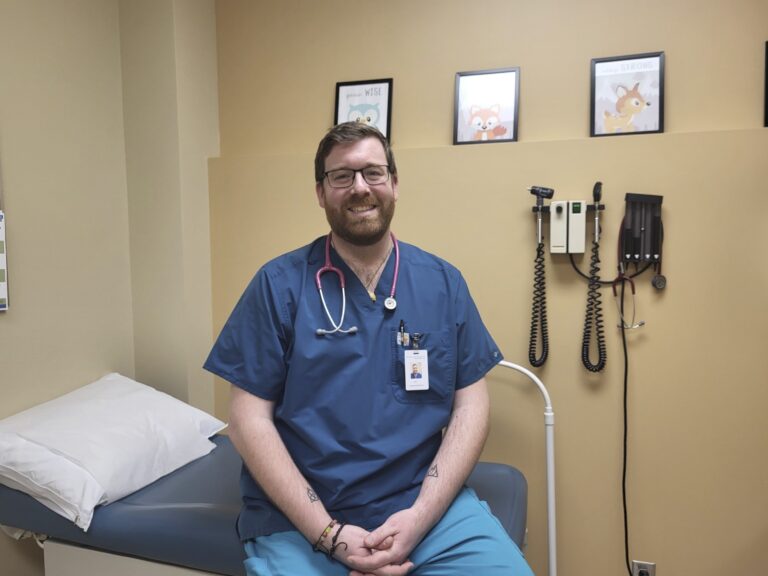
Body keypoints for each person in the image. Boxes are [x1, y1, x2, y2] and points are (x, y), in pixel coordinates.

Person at [204, 122, 534, 576]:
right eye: (341, 176)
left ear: (394, 184)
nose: (360, 187)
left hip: (425, 509)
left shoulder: (442, 282)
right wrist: (330, 536)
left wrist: (419, 518)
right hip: (303, 520)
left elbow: (471, 404)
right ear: (320, 193)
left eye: (373, 173)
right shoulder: (278, 285)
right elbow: (246, 420)